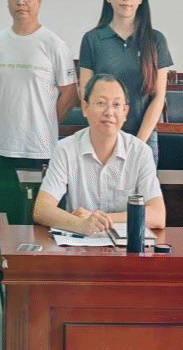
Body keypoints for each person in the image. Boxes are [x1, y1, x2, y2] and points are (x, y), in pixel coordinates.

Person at [0, 0, 78, 224]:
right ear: (7, 0)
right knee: (9, 221)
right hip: (3, 148)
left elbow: (70, 93)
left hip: (41, 150)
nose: (21, 1)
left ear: (39, 0)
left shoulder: (54, 44)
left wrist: (46, 120)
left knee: (40, 222)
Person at [33, 74, 165, 235]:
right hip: (80, 246)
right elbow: (42, 209)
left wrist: (98, 219)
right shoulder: (65, 149)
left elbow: (158, 215)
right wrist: (80, 224)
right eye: (101, 103)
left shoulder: (140, 152)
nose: (109, 112)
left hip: (125, 247)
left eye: (116, 105)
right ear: (85, 108)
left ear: (125, 112)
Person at [78, 0, 173, 163]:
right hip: (102, 137)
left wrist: (138, 143)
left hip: (144, 138)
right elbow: (86, 93)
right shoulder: (92, 39)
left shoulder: (155, 40)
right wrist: (107, 136)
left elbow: (158, 97)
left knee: (140, 185)